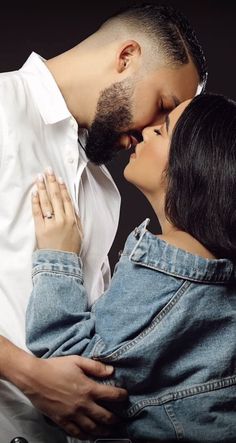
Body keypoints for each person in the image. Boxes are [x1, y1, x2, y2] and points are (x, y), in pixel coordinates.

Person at [0, 3, 207, 441]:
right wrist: (29, 375)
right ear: (126, 57)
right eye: (162, 106)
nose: (153, 131)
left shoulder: (103, 187)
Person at [27, 93, 236, 442]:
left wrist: (58, 255)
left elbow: (72, 375)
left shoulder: (175, 264)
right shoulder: (210, 272)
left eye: (164, 130)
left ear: (195, 162)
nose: (147, 130)